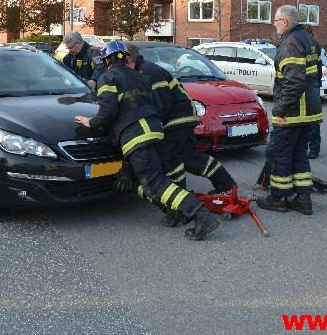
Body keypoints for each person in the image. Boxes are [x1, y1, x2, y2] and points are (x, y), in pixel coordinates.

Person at [74, 40, 219, 241]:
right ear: (125, 57)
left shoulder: (108, 78)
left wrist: (91, 123)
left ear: (107, 60)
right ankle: (175, 212)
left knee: (155, 183)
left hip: (136, 137)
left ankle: (199, 214)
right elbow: (158, 105)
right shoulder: (142, 76)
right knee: (152, 180)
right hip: (155, 131)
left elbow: (108, 112)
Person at [126, 43, 236, 225]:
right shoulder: (143, 70)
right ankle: (226, 185)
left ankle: (178, 209)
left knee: (170, 160)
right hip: (180, 118)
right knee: (190, 158)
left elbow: (163, 105)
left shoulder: (149, 72)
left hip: (177, 120)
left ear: (130, 60)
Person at [257, 5, 322, 215]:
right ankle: (303, 199)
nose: (274, 24)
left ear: (284, 22)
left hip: (293, 112)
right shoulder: (309, 39)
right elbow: (316, 73)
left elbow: (294, 81)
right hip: (310, 110)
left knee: (280, 153)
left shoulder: (290, 44)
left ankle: (279, 198)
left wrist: (280, 110)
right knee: (299, 154)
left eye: (276, 20)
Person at [303, 25, 327, 159]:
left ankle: (314, 149)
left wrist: (320, 75)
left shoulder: (317, 49)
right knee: (306, 119)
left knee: (312, 119)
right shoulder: (303, 48)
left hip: (311, 87)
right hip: (305, 87)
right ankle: (309, 148)